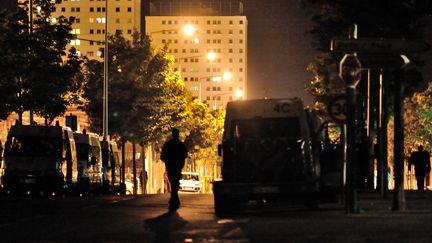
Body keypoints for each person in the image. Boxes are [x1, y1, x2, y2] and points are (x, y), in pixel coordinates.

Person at [160, 128, 188, 212]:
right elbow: (185, 155)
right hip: (177, 167)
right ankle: (174, 198)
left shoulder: (168, 144)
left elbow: (163, 156)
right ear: (177, 135)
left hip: (170, 166)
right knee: (175, 182)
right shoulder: (181, 144)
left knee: (173, 182)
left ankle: (174, 198)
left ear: (172, 134)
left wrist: (168, 162)